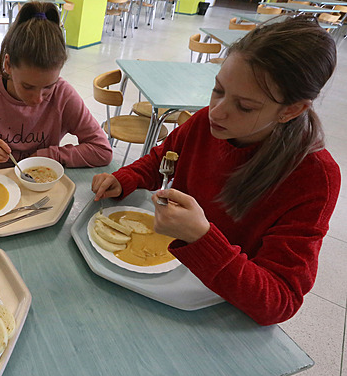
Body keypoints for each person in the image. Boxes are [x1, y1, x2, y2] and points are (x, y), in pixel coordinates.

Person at [91, 17, 340, 326]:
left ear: (291, 110)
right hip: (164, 277)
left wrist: (201, 237)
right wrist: (126, 178)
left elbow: (279, 301)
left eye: (245, 106)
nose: (217, 111)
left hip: (218, 305)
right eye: (218, 89)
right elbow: (163, 159)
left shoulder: (314, 178)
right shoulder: (205, 123)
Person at [0, 1, 113, 170]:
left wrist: (49, 156)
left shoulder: (63, 94)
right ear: (8, 65)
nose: (38, 99)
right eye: (27, 86)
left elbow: (102, 150)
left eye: (48, 87)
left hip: (40, 185)